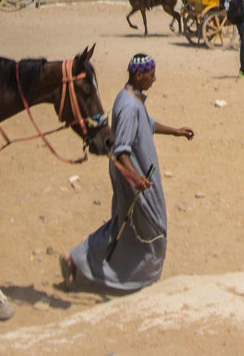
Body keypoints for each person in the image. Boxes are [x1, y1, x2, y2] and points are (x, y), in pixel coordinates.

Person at [61, 54, 192, 295]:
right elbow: (121, 150)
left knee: (126, 224)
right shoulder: (129, 106)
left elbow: (148, 123)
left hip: (138, 175)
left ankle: (76, 259)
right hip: (133, 176)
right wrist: (136, 179)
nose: (154, 79)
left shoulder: (130, 97)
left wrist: (175, 131)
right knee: (153, 228)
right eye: (151, 75)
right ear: (138, 75)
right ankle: (136, 280)